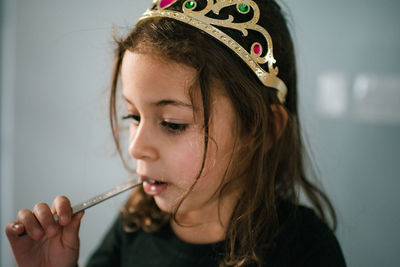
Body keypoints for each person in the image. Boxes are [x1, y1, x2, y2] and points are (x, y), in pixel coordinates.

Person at [5, 0, 347, 266]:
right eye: (133, 116)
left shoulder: (306, 248)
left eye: (172, 123)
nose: (137, 148)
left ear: (263, 130)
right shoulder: (135, 225)